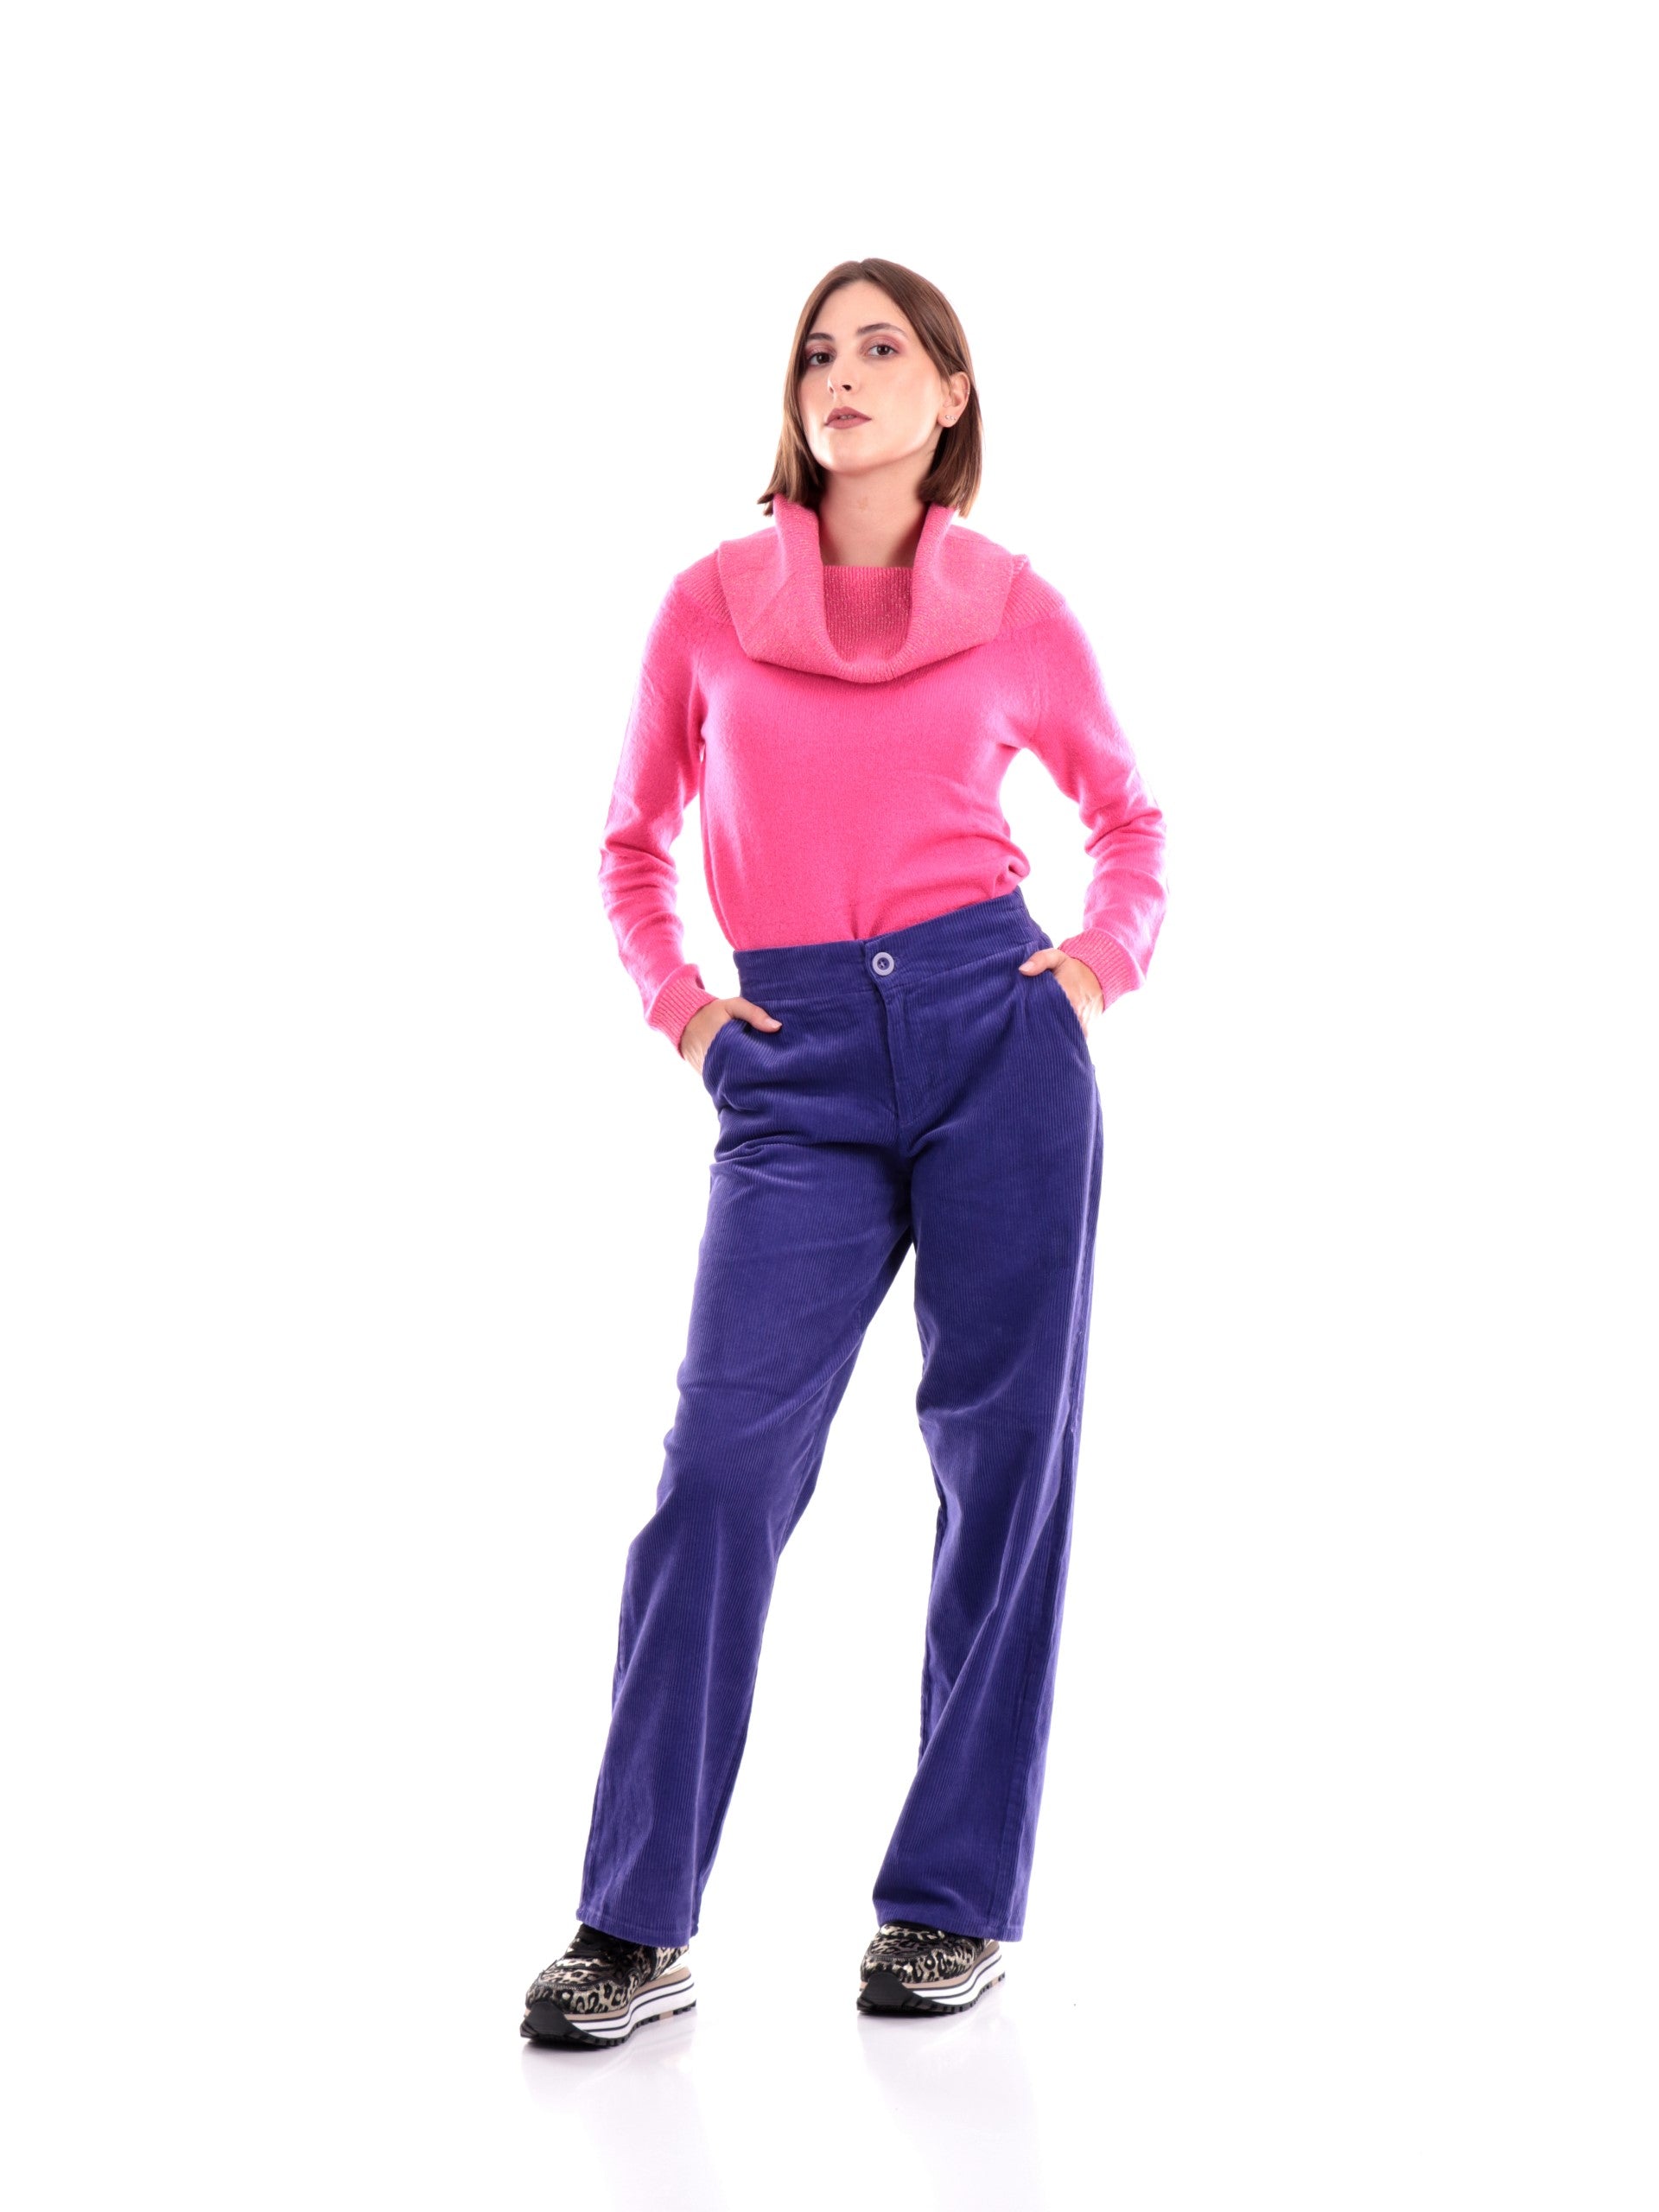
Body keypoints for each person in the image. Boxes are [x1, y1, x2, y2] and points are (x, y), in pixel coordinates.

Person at [521, 257, 1168, 2048]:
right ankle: (633, 1923)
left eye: (885, 347)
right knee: (722, 1470)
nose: (844, 373)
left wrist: (1091, 975)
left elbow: (1129, 819)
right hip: (792, 1067)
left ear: (951, 394)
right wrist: (687, 1012)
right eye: (819, 349)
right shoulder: (710, 606)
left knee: (1003, 1464)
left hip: (994, 1035)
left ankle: (948, 1904)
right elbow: (631, 843)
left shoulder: (1016, 607)